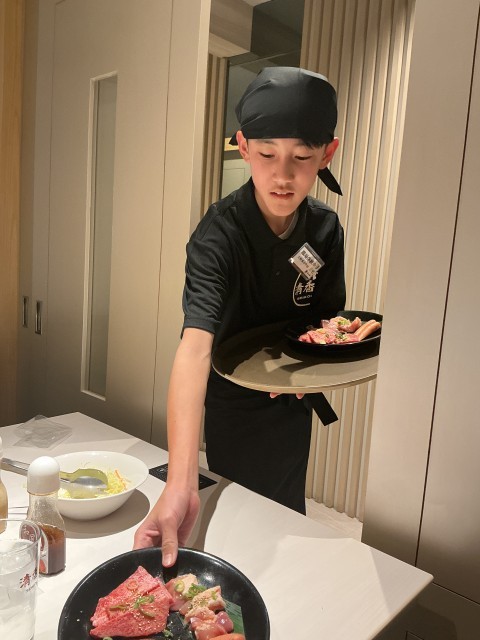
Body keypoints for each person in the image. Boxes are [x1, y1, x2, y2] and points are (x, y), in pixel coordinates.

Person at [133, 67, 346, 565]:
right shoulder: (219, 235)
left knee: (286, 514)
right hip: (232, 404)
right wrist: (180, 482)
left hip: (293, 402)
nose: (283, 175)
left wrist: (308, 370)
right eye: (268, 154)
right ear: (244, 147)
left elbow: (327, 323)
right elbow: (195, 348)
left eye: (302, 157)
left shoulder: (325, 229)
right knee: (237, 522)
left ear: (327, 154)